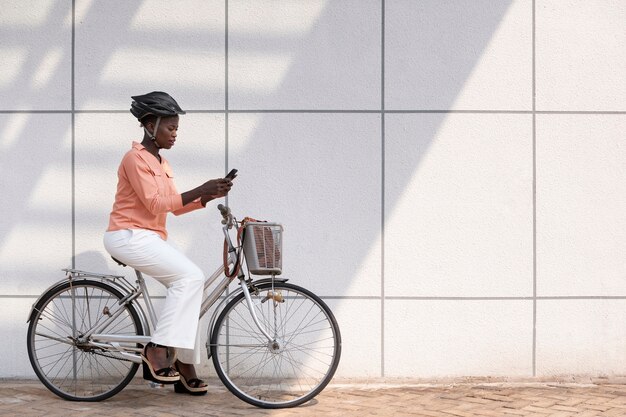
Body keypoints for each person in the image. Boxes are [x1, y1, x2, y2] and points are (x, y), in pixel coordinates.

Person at [103, 91, 233, 395]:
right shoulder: (134, 158)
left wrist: (207, 195)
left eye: (177, 129)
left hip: (148, 235)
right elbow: (154, 203)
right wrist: (200, 187)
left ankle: (184, 363)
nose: (175, 134)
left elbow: (173, 206)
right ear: (150, 125)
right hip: (126, 234)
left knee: (193, 286)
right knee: (189, 277)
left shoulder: (162, 162)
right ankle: (158, 349)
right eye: (170, 128)